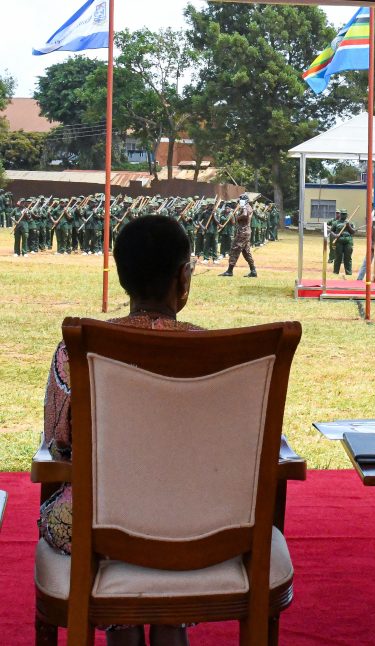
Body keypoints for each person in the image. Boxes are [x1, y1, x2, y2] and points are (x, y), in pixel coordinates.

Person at [40, 215, 198, 646]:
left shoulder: (79, 348)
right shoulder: (222, 354)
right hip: (200, 526)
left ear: (123, 273)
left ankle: (122, 626)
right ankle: (170, 623)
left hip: (100, 525)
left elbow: (59, 444)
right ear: (183, 276)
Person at [219, 195, 257, 278]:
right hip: (246, 231)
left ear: (244, 200)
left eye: (240, 200)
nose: (239, 201)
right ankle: (253, 270)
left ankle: (229, 271)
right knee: (246, 252)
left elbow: (244, 214)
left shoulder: (245, 207)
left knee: (234, 249)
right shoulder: (249, 207)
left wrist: (237, 217)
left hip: (242, 232)